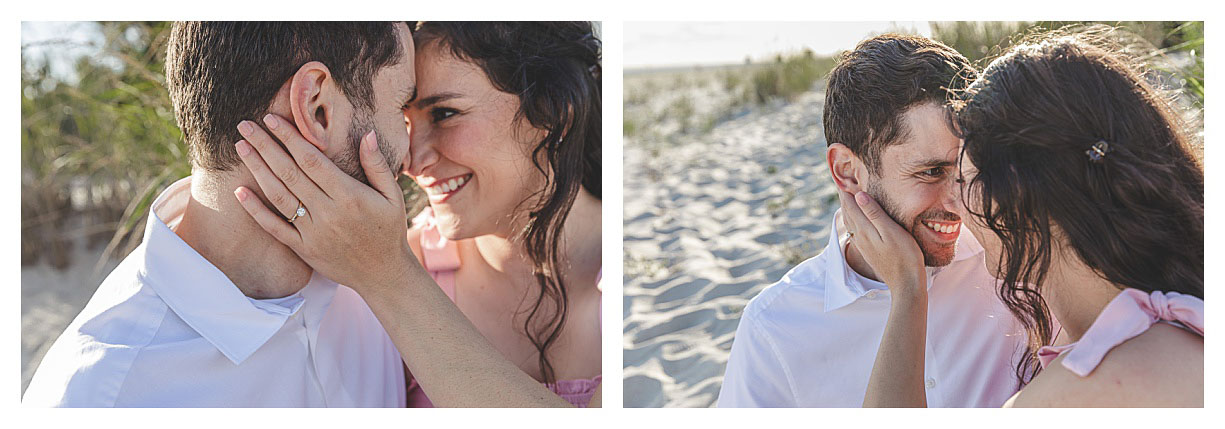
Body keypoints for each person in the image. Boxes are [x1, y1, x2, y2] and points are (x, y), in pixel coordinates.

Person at [22, 22, 415, 407]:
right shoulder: (102, 396)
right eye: (402, 108)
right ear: (317, 109)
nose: (413, 156)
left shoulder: (382, 274)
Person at [230, 21, 602, 407]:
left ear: (555, 111)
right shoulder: (386, 267)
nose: (411, 159)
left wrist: (388, 276)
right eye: (403, 121)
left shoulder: (385, 271)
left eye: (443, 114)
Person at [856, 27, 1204, 407]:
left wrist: (907, 292)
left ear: (1017, 196)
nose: (954, 203)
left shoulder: (1071, 395)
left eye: (964, 178)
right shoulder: (1185, 318)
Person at [717, 34, 1029, 407]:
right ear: (848, 172)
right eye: (931, 172)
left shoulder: (1015, 263)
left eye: (967, 170)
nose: (957, 200)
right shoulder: (776, 328)